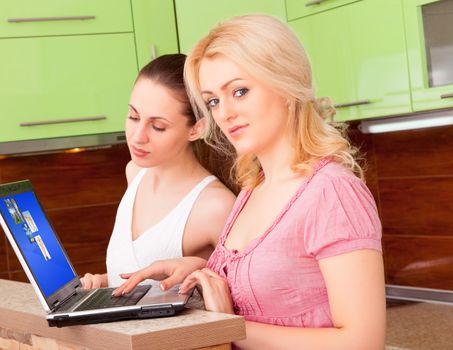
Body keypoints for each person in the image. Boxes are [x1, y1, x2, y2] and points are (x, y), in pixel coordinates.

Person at [113, 15, 385, 349]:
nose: (224, 113)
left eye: (239, 91)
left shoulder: (332, 192)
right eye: (213, 100)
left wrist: (227, 327)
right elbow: (273, 285)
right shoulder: (254, 187)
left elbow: (362, 342)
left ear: (285, 83)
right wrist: (199, 271)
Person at [81, 54, 236, 289]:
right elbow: (140, 272)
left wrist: (200, 267)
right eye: (133, 116)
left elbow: (242, 296)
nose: (137, 136)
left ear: (197, 128)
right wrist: (103, 282)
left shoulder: (216, 206)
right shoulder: (134, 173)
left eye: (158, 126)